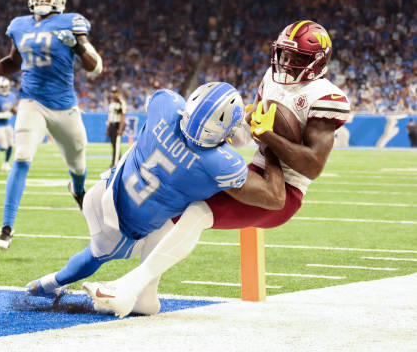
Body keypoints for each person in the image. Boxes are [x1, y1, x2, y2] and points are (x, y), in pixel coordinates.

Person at [83, 20, 352, 318]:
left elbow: (313, 166)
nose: (286, 63)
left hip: (284, 191)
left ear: (317, 62)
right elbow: (255, 127)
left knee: (198, 212)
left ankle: (130, 286)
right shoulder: (271, 78)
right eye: (283, 55)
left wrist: (269, 138)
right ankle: (146, 298)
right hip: (257, 167)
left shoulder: (326, 97)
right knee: (175, 203)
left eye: (296, 58)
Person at [25, 82, 287, 316]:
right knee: (95, 254)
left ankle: (143, 299)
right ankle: (47, 284)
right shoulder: (220, 164)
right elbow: (272, 195)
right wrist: (267, 140)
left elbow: (167, 111)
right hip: (125, 224)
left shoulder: (166, 104)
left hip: (107, 188)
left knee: (160, 237)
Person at [0, 0, 103, 249]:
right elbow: (13, 63)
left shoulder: (72, 21)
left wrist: (76, 46)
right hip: (31, 101)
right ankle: (6, 228)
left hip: (64, 106)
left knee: (78, 164)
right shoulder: (19, 25)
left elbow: (94, 67)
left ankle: (77, 189)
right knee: (23, 156)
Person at [106, 86, 126, 167]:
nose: (114, 94)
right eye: (113, 92)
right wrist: (108, 129)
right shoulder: (111, 103)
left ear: (118, 93)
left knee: (117, 146)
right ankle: (120, 162)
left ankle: (114, 164)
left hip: (117, 125)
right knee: (114, 145)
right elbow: (110, 117)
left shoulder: (121, 102)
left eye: (115, 92)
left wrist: (121, 128)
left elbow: (123, 116)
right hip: (112, 126)